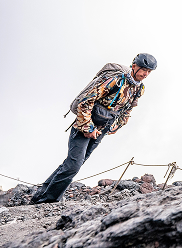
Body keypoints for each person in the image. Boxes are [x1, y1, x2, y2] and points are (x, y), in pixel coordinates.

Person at [30, 53, 157, 204]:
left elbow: (128, 109)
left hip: (102, 128)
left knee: (73, 163)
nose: (146, 74)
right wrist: (88, 128)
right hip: (85, 125)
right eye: (144, 70)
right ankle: (48, 200)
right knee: (73, 165)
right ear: (134, 66)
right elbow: (86, 101)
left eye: (149, 71)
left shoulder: (139, 88)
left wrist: (117, 125)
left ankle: (40, 196)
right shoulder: (115, 80)